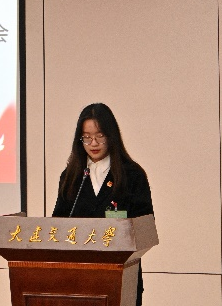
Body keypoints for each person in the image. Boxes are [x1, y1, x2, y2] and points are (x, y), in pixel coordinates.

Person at [52, 103, 153, 306]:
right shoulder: (71, 177)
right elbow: (57, 225)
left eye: (100, 136)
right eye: (87, 137)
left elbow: (146, 229)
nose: (93, 143)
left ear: (111, 136)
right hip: (77, 279)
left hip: (121, 278)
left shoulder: (132, 175)